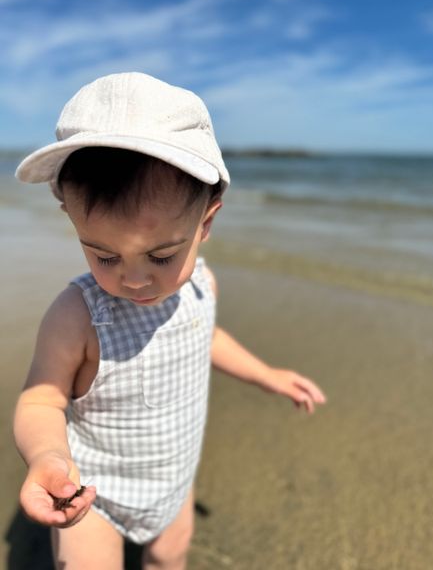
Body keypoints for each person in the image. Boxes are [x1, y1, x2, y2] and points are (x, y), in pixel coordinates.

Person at [13, 72, 326, 570]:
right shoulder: (77, 315)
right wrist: (48, 457)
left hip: (173, 481)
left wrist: (266, 375)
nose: (134, 280)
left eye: (161, 257)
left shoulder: (202, 285)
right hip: (94, 490)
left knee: (170, 556)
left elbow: (206, 336)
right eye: (103, 256)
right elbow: (41, 398)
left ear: (205, 223)